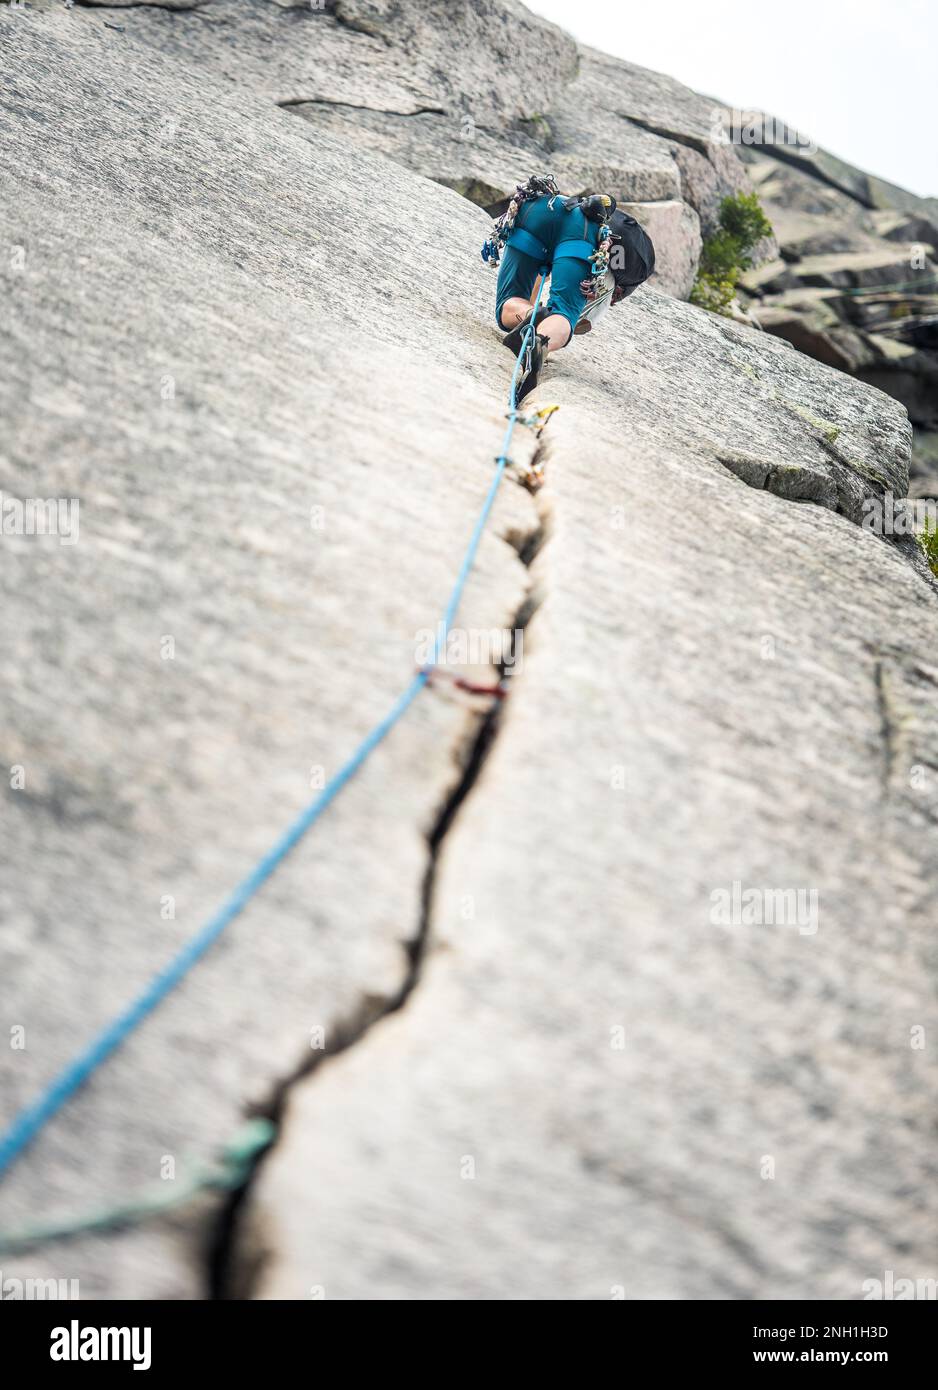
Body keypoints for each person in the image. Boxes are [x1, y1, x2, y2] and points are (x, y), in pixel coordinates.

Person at [484, 177, 656, 399]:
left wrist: (536, 313)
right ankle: (541, 341)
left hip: (541, 207)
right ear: (620, 291)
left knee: (511, 300)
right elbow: (579, 321)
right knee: (564, 312)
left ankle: (528, 316)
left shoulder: (578, 210)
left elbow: (536, 281)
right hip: (583, 232)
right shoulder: (611, 276)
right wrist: (552, 323)